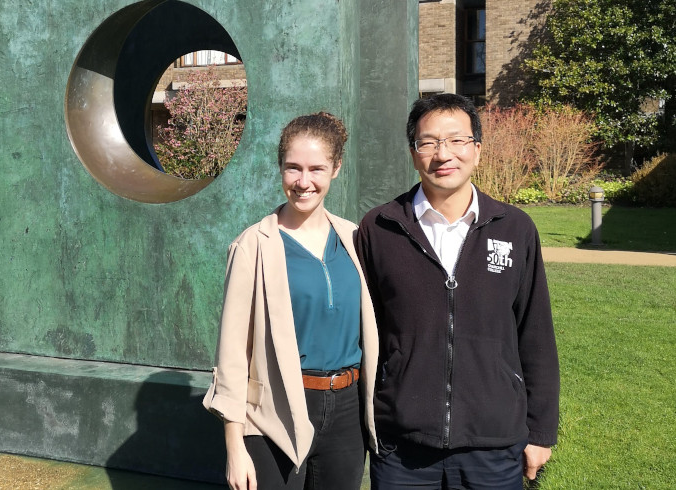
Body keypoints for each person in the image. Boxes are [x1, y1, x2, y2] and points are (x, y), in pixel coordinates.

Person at [355, 93, 559, 489]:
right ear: (414, 153)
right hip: (402, 446)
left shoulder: (514, 228)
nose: (442, 153)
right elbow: (365, 330)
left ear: (477, 150)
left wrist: (540, 432)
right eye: (428, 142)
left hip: (494, 442)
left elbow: (535, 333)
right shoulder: (380, 228)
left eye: (456, 140)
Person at [203, 112, 379, 490]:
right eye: (292, 168)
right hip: (274, 413)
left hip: (348, 413)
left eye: (316, 168)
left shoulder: (354, 238)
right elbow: (233, 353)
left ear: (336, 168)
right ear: (280, 169)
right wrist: (235, 446)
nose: (303, 182)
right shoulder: (253, 246)